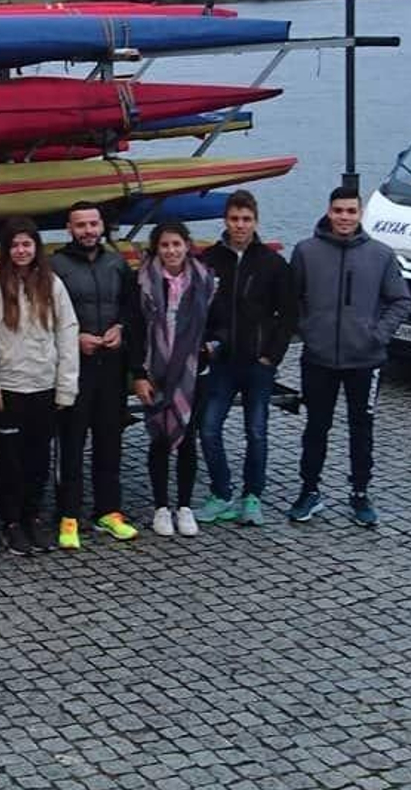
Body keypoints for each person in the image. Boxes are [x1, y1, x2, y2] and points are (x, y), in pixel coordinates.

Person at [288, 185, 411, 527]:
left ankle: (359, 493)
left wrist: (378, 334)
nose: (344, 217)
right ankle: (309, 489)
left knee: (362, 429)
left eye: (351, 211)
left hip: (365, 360)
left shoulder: (381, 255)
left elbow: (400, 300)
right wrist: (308, 330)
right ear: (329, 211)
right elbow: (291, 298)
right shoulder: (306, 252)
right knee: (316, 426)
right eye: (339, 211)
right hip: (318, 358)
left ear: (360, 215)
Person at [0, 217, 79, 556]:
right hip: (8, 386)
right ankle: (11, 522)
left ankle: (33, 516)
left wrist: (66, 386)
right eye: (15, 245)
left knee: (38, 460)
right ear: (7, 249)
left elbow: (68, 332)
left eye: (27, 244)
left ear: (36, 247)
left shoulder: (52, 283)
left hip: (43, 384)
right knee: (8, 462)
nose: (21, 250)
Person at [195, 192, 297, 526]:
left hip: (258, 363)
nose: (240, 226)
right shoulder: (209, 260)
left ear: (255, 221)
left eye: (246, 219)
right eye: (235, 219)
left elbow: (289, 314)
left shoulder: (271, 263)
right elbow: (195, 309)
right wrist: (205, 344)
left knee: (257, 431)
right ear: (225, 220)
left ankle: (252, 496)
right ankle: (221, 493)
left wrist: (272, 355)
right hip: (222, 361)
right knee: (209, 428)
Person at [50, 201, 139, 548]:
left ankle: (108, 511)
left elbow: (132, 309)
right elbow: (45, 318)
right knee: (71, 442)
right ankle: (68, 515)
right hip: (74, 367)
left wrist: (121, 329)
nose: (88, 231)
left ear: (102, 226)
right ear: (69, 229)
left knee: (109, 441)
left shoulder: (116, 263)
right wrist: (74, 338)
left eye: (93, 224)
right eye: (80, 225)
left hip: (111, 367)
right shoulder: (56, 266)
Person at [128, 220, 218, 538]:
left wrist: (209, 348)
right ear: (157, 248)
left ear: (186, 245)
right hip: (156, 368)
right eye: (165, 245)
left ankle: (185, 506)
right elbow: (135, 328)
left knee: (188, 437)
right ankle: (161, 507)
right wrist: (138, 372)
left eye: (176, 244)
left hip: (193, 371)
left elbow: (215, 322)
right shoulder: (143, 281)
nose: (171, 251)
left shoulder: (204, 280)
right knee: (160, 440)